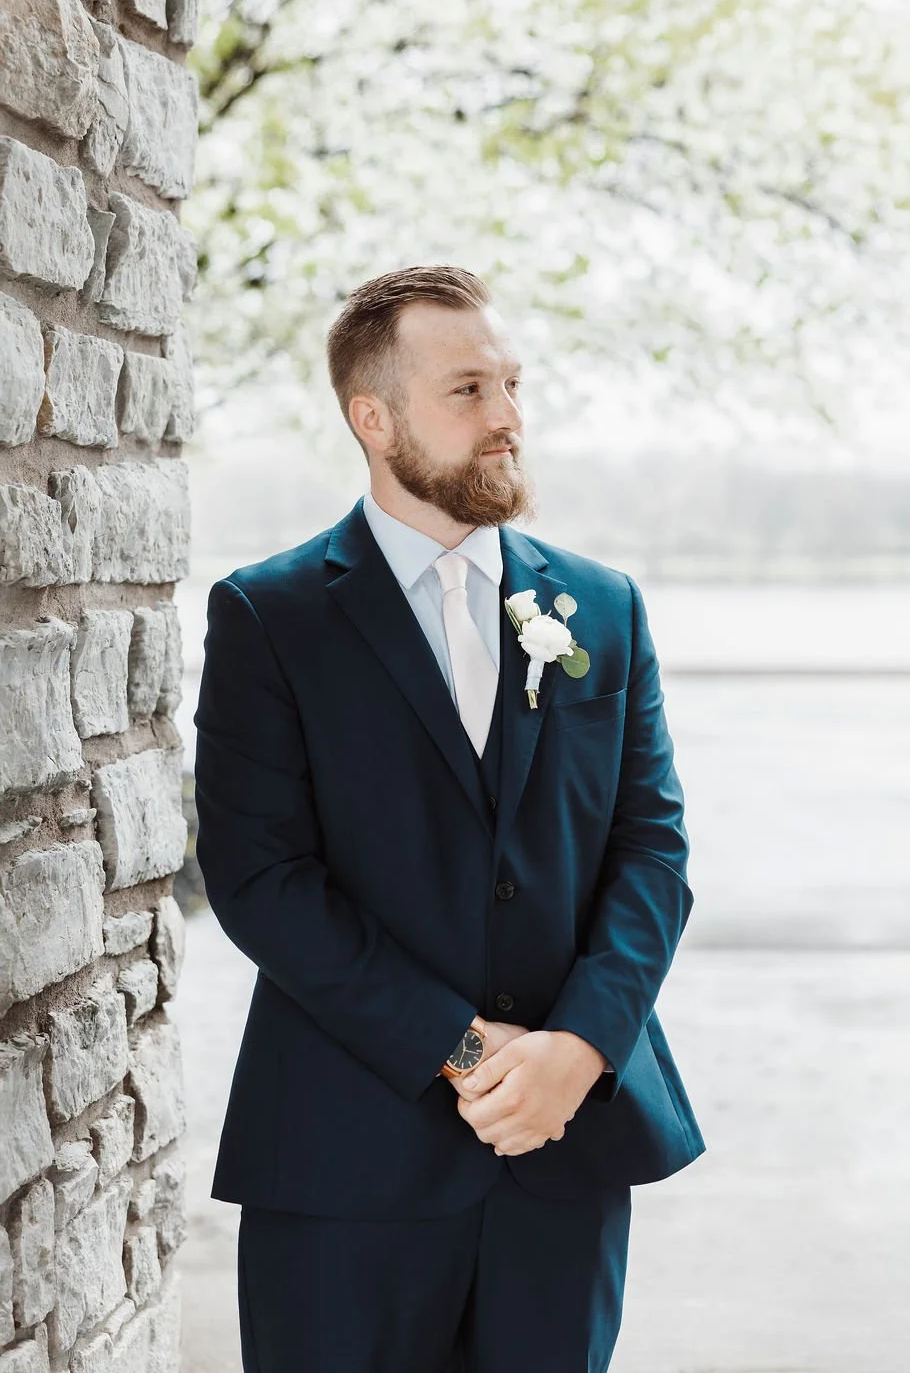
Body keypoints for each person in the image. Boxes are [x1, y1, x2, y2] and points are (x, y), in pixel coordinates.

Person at [192, 264, 706, 1373]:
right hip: (345, 1158)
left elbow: (650, 851)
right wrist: (466, 1050)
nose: (509, 418)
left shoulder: (601, 607)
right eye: (468, 391)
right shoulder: (268, 616)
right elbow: (260, 879)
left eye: (513, 384)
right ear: (371, 419)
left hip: (563, 1151)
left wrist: (578, 1048)